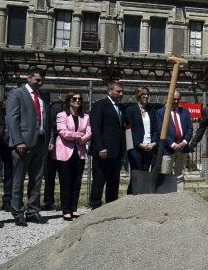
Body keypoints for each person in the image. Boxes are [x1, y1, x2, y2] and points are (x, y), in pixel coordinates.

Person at [6, 67, 52, 226]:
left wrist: (48, 141)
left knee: (37, 179)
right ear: (28, 77)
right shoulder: (16, 94)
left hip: (40, 142)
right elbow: (12, 119)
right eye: (37, 80)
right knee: (18, 179)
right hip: (23, 143)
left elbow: (47, 120)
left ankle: (33, 210)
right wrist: (18, 141)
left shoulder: (44, 96)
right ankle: (17, 212)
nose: (40, 83)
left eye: (42, 80)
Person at [54, 92, 91, 221]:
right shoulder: (62, 115)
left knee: (77, 182)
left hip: (79, 152)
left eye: (79, 99)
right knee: (65, 182)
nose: (77, 101)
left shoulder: (85, 117)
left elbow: (89, 133)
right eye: (74, 99)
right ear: (69, 101)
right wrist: (78, 135)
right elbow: (63, 133)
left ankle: (74, 208)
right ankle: (66, 210)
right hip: (64, 152)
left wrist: (80, 138)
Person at [88, 81, 126, 209]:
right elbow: (96, 128)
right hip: (103, 151)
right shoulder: (100, 105)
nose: (121, 94)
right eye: (118, 91)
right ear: (110, 91)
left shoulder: (120, 107)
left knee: (114, 181)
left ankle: (111, 206)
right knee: (99, 179)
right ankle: (95, 205)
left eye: (122, 92)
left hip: (116, 151)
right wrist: (100, 147)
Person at [153, 90, 193, 187]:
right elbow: (160, 131)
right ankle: (166, 198)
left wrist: (184, 142)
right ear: (168, 98)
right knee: (166, 174)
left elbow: (190, 129)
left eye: (177, 99)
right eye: (173, 99)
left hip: (183, 149)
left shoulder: (185, 112)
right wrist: (173, 144)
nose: (175, 101)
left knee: (180, 175)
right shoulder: (160, 113)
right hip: (168, 149)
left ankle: (179, 198)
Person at [125, 87, 157, 179]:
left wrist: (154, 142)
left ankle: (143, 193)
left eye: (147, 94)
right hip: (136, 147)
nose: (146, 96)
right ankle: (133, 193)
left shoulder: (151, 111)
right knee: (136, 173)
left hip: (149, 146)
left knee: (145, 172)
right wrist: (138, 144)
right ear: (138, 96)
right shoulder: (131, 110)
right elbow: (128, 130)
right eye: (143, 94)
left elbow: (155, 128)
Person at [42, 99, 63, 211]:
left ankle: (48, 202)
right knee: (62, 178)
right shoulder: (60, 111)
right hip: (59, 149)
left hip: (50, 149)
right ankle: (59, 202)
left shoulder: (48, 112)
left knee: (49, 178)